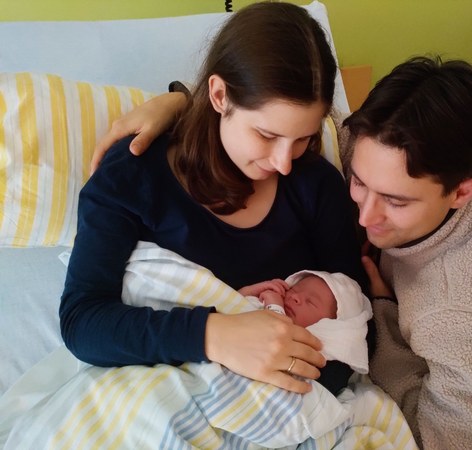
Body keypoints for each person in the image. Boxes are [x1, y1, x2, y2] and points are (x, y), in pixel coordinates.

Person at [91, 55, 472, 449]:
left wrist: (381, 315)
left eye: (395, 201)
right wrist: (181, 103)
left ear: (462, 193)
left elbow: (429, 439)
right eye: (358, 181)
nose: (363, 216)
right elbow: (282, 112)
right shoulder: (383, 142)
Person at [60, 1, 368, 399]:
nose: (284, 163)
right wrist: (215, 335)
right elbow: (83, 322)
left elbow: (356, 320)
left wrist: (290, 385)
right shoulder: (133, 175)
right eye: (267, 135)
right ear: (220, 95)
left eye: (303, 139)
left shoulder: (316, 185)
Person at [240, 270, 373, 374]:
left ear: (330, 327)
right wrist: (245, 293)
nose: (295, 297)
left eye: (310, 302)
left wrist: (274, 307)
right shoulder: (263, 301)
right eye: (293, 289)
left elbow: (273, 338)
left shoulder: (306, 353)